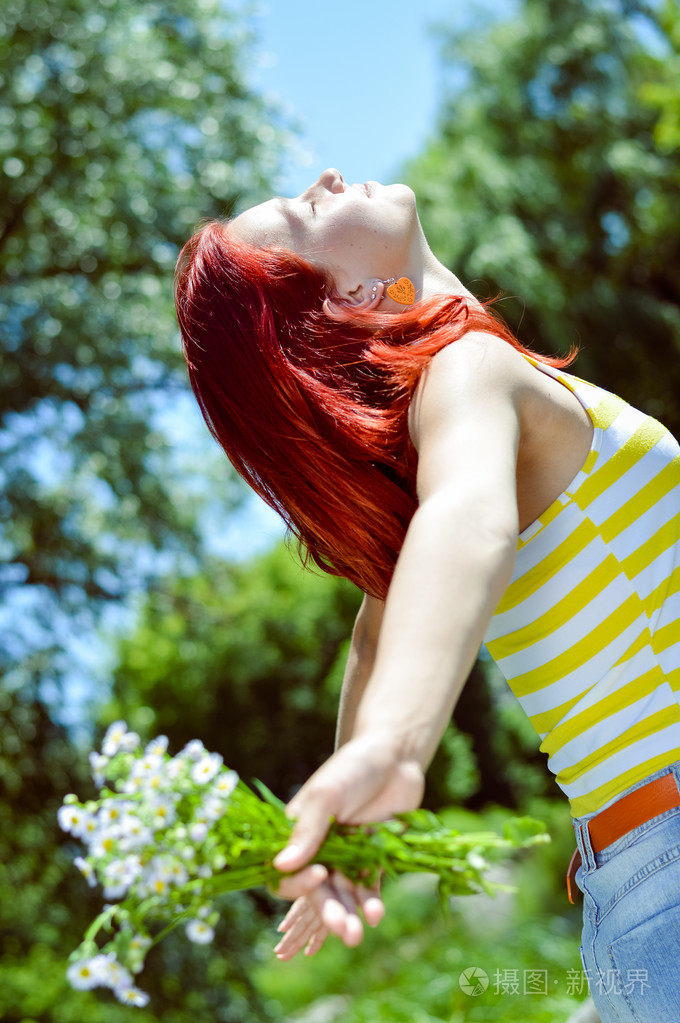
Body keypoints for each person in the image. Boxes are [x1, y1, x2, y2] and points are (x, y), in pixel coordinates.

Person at [175, 168, 680, 1023]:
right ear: (345, 302)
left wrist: (360, 817)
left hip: (639, 894)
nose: (326, 179)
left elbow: (377, 636)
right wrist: (399, 747)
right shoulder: (469, 374)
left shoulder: (461, 409)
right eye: (306, 213)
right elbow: (466, 520)